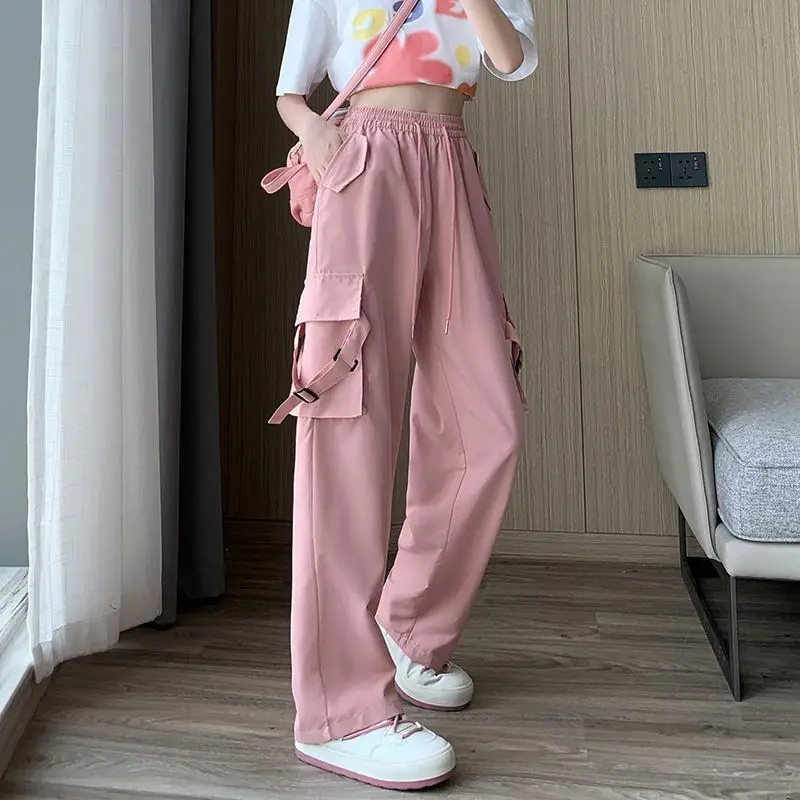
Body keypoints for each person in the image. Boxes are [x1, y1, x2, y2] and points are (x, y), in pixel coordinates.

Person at [272, 0, 538, 790]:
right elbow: (292, 89)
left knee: (486, 423)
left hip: (451, 160)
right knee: (347, 423)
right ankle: (338, 713)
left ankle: (408, 628)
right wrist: (314, 133)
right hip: (364, 160)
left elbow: (511, 60)